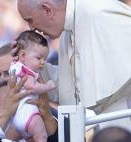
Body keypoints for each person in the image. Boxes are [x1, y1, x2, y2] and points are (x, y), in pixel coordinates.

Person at [17, 0, 131, 130]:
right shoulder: (67, 31)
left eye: (30, 20)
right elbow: (70, 85)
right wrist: (28, 64)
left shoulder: (100, 13)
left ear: (48, 10)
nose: (31, 28)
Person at [9, 30, 56, 142]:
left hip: (25, 113)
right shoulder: (22, 70)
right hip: (27, 112)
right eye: (39, 58)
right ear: (23, 55)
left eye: (45, 59)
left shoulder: (24, 69)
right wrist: (48, 86)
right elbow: (32, 86)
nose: (43, 62)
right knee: (42, 137)